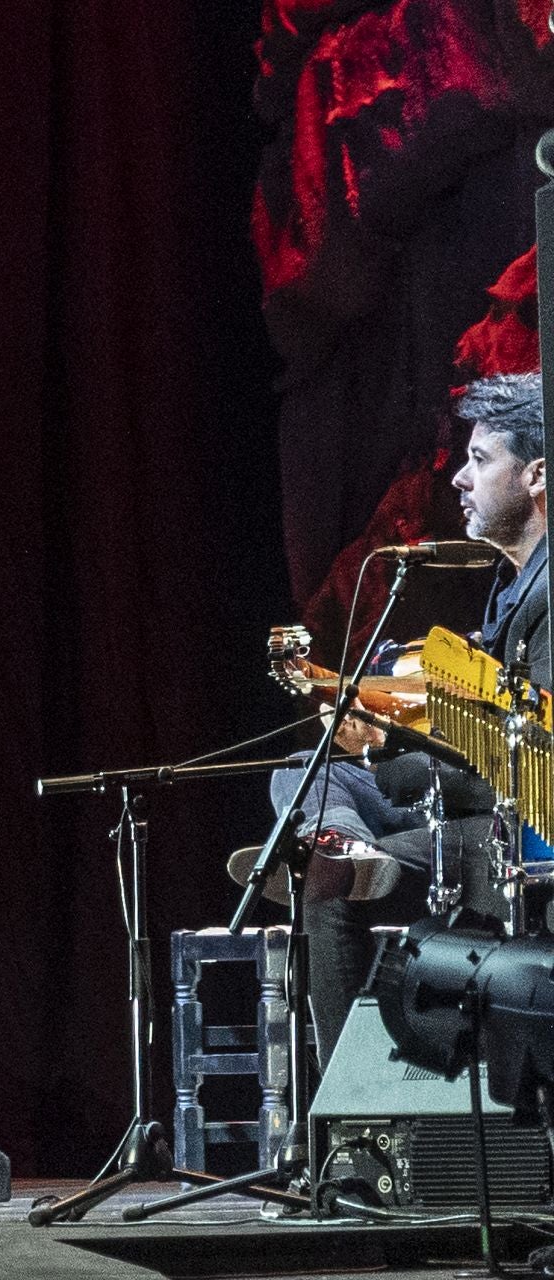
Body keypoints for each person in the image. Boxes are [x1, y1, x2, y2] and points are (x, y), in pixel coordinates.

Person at [240, 373, 549, 1064]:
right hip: (464, 808)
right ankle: (341, 842)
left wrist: (391, 748)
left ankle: (347, 1112)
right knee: (307, 772)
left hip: (511, 841)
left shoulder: (550, 591)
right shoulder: (512, 581)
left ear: (536, 474)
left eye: (481, 459)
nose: (461, 480)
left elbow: (533, 770)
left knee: (325, 882)